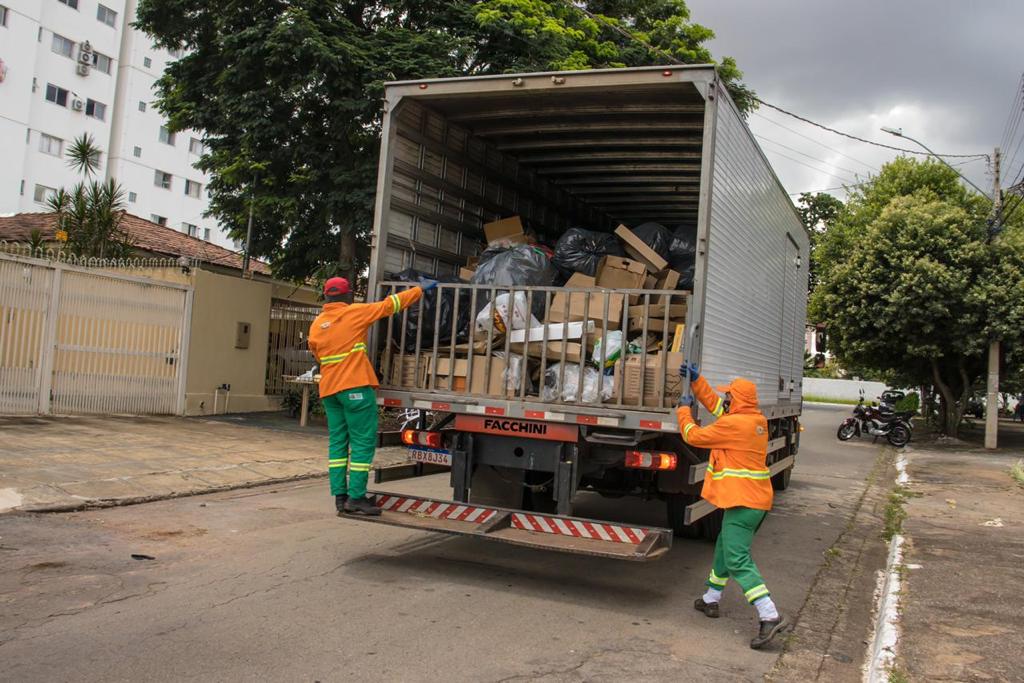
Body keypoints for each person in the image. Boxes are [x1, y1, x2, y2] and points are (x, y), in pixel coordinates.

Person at [676, 363, 788, 650]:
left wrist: (683, 411)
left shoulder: (734, 425)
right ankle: (711, 599)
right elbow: (715, 404)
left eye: (729, 396)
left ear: (737, 401)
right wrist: (698, 381)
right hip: (754, 501)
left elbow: (693, 436)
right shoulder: (753, 420)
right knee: (725, 548)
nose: (725, 399)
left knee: (737, 559)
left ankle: (769, 613)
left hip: (743, 503)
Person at [307, 276, 436, 516]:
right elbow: (391, 304)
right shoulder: (354, 312)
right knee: (362, 443)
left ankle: (340, 497)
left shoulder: (317, 323)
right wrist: (419, 290)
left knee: (337, 444)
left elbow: (317, 355)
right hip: (354, 387)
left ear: (326, 296)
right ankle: (356, 498)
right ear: (347, 296)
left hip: (329, 391)